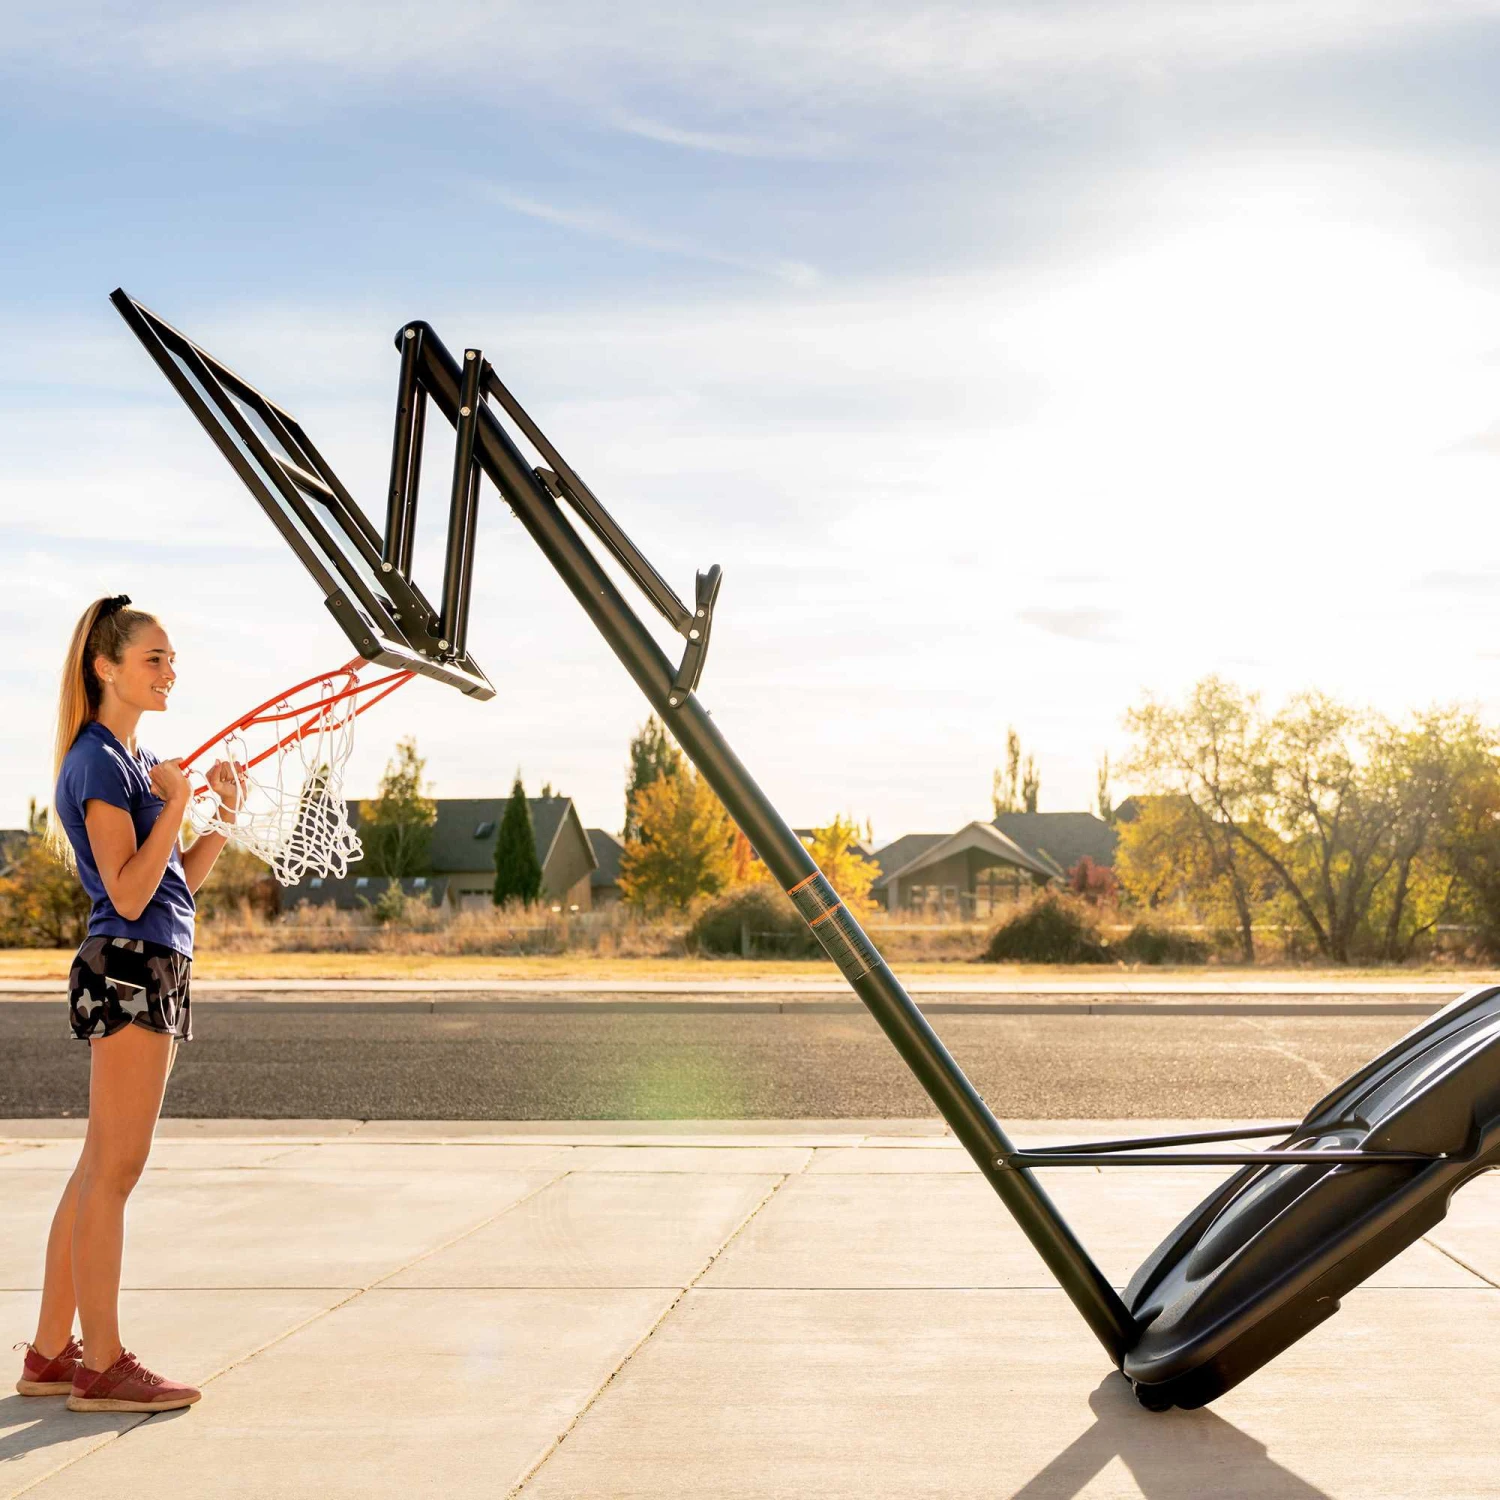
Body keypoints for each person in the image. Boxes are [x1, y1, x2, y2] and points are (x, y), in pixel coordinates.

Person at [13, 594, 242, 1414]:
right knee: (116, 1171)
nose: (170, 671)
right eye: (154, 658)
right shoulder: (100, 761)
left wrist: (219, 819)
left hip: (151, 959)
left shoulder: (129, 759)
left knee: (95, 1168)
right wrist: (176, 802)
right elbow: (128, 890)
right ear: (105, 666)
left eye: (172, 659)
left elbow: (172, 885)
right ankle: (102, 1366)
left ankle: (50, 1354)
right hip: (129, 967)